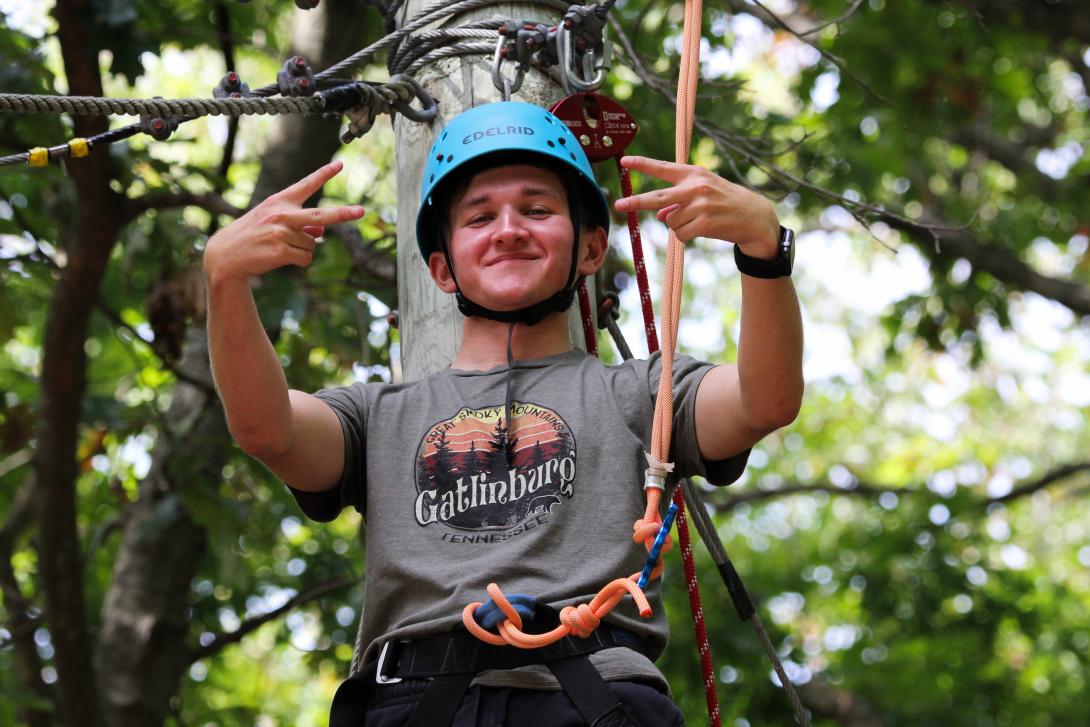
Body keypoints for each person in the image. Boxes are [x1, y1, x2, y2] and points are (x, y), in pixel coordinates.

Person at [204, 101, 803, 726]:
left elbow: (765, 400)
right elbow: (266, 430)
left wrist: (764, 251)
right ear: (442, 268)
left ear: (592, 247)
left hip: (596, 698)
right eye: (479, 216)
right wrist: (224, 282)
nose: (509, 229)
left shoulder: (640, 393)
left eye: (538, 210)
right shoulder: (378, 415)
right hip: (416, 702)